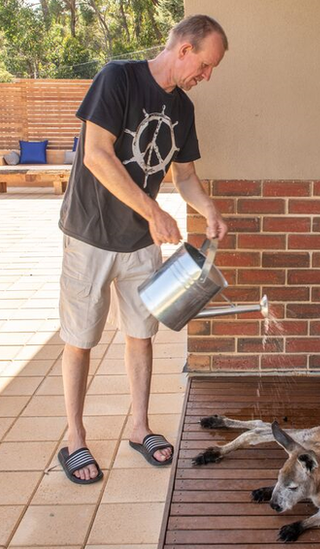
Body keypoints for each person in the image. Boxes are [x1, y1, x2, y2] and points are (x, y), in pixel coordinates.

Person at [56, 15, 229, 484]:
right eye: (206, 65)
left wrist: (208, 209)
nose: (206, 77)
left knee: (141, 333)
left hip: (139, 243)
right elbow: (96, 155)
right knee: (80, 339)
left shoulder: (183, 109)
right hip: (89, 233)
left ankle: (140, 428)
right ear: (185, 49)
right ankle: (74, 438)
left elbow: (185, 176)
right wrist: (154, 211)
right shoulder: (119, 78)